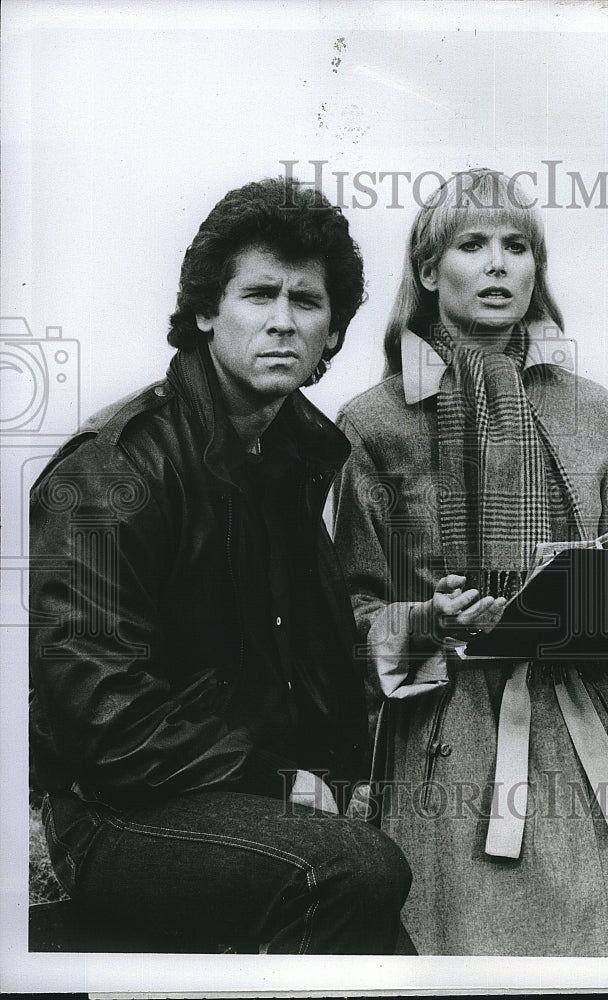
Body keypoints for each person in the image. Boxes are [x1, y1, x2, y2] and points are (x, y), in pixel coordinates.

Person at [29, 176, 411, 955]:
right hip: (115, 808)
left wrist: (342, 776)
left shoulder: (296, 460)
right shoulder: (114, 468)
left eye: (306, 302)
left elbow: (314, 661)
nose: (282, 321)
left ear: (331, 329)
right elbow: (96, 706)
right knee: (352, 870)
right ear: (206, 311)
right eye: (257, 294)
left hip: (239, 801)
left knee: (389, 916)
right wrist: (280, 783)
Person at [332, 168, 608, 956]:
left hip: (594, 740)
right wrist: (427, 619)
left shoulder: (590, 406)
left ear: (537, 270)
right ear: (430, 272)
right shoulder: (371, 422)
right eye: (473, 244)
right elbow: (350, 616)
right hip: (452, 748)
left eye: (516, 245)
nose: (498, 263)